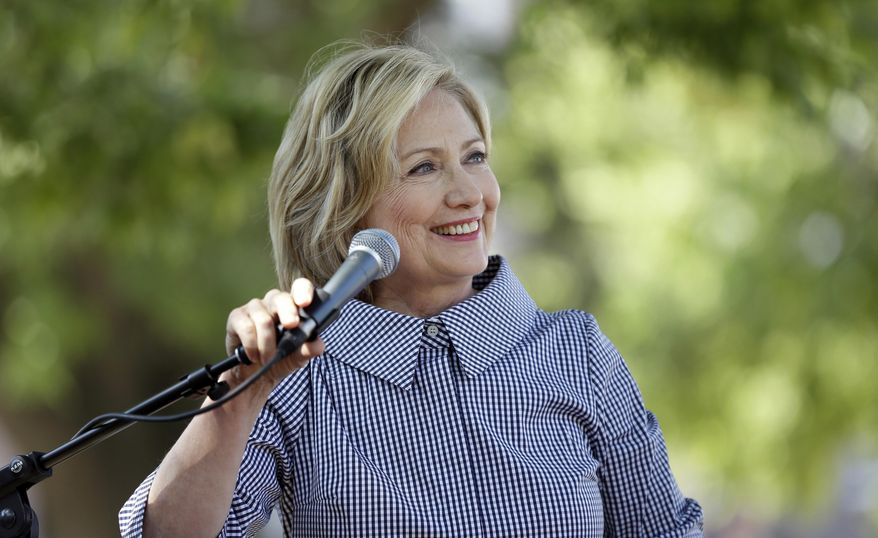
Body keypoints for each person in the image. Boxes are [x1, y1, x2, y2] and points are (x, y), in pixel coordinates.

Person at [119, 39, 704, 537]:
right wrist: (238, 397)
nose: (469, 192)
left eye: (474, 157)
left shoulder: (577, 355)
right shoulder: (294, 378)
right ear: (344, 208)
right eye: (425, 167)